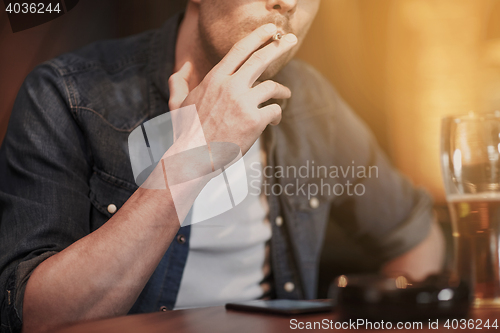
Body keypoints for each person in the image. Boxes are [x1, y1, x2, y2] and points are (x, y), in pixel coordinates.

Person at [0, 0, 445, 332]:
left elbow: (416, 238)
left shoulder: (311, 104)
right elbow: (36, 317)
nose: (288, 3)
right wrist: (196, 151)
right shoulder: (67, 95)